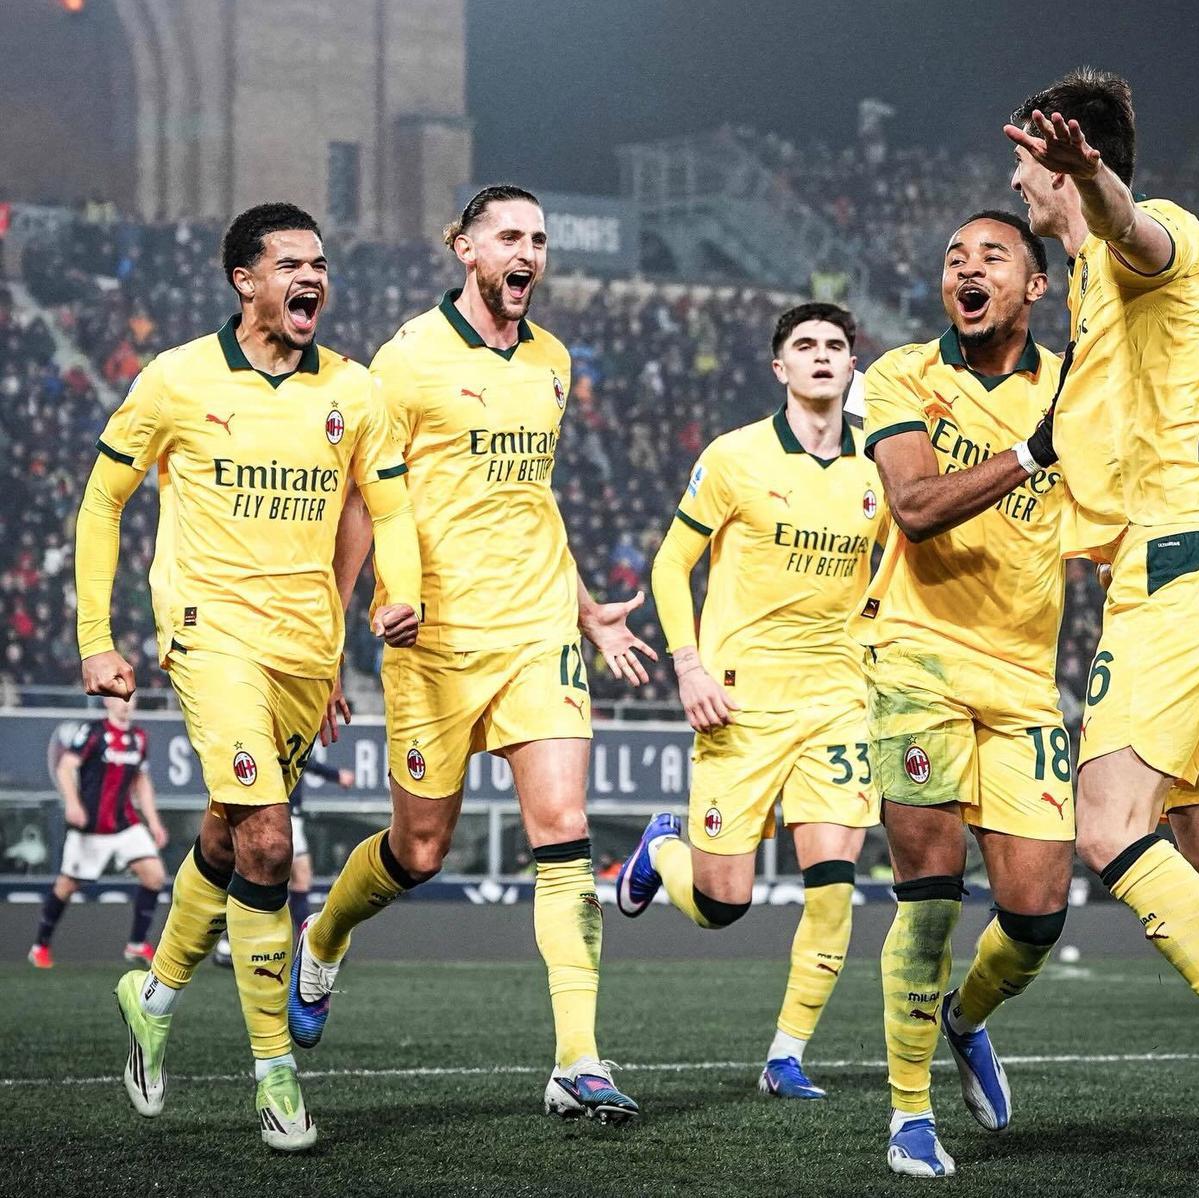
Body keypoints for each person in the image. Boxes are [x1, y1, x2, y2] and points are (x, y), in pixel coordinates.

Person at [289, 185, 656, 1124]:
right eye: (510, 238)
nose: (528, 253)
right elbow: (363, 503)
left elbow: (530, 500)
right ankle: (324, 937)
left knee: (563, 828)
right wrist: (330, 640)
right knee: (418, 850)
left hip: (537, 628)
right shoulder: (406, 361)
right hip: (436, 641)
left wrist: (586, 612)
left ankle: (578, 1060)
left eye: (540, 239)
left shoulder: (553, 362)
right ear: (465, 248)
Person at [75, 202, 421, 1151]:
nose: (313, 278)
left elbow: (388, 509)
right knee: (270, 839)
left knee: (229, 834)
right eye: (292, 264)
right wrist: (96, 638)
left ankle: (153, 996)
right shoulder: (177, 379)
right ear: (246, 280)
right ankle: (276, 1073)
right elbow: (103, 501)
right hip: (210, 635)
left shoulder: (354, 390)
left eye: (321, 265)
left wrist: (395, 598)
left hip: (305, 650)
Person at [1007, 68, 1199, 1176]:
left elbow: (1135, 232)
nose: (1017, 183)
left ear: (1064, 160)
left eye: (1026, 164)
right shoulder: (1086, 289)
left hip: (1172, 581)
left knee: (1105, 826)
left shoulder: (1150, 240)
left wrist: (1094, 182)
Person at [617, 302, 883, 1101]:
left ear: (852, 365)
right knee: (721, 904)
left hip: (839, 701)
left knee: (833, 887)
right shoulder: (735, 457)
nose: (822, 356)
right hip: (740, 701)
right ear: (780, 368)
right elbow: (670, 566)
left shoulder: (880, 466)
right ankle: (661, 851)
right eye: (805, 345)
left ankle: (785, 1055)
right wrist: (689, 667)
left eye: (835, 345)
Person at [852, 211, 1071, 1177]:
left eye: (992, 257)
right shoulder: (902, 374)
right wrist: (1033, 453)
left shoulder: (1072, 384)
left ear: (1036, 286)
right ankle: (910, 1116)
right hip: (917, 653)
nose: (967, 270)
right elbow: (912, 507)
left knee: (1036, 917)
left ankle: (965, 1016)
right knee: (932, 898)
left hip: (1024, 672)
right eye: (954, 258)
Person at [28, 694, 167, 968]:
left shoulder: (139, 738)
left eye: (130, 698)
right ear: (107, 702)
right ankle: (40, 945)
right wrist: (73, 803)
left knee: (155, 876)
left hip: (125, 824)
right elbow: (65, 767)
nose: (126, 703)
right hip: (91, 826)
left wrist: (154, 822)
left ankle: (137, 944)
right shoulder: (93, 732)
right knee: (67, 886)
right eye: (119, 699)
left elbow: (141, 782)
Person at [212, 758, 355, 967]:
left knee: (293, 879)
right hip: (280, 817)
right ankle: (231, 943)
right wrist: (335, 775)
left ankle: (308, 946)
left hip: (283, 816)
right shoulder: (279, 744)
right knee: (270, 882)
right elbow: (300, 758)